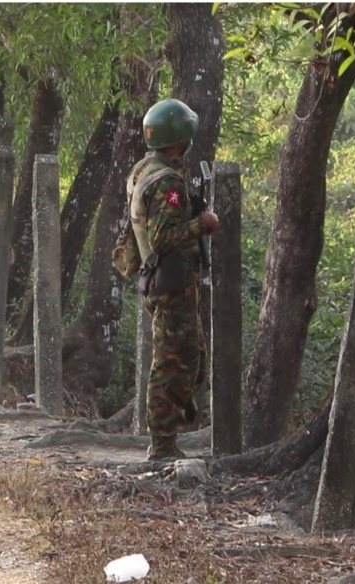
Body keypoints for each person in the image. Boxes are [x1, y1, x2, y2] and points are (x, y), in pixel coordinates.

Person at [113, 98, 219, 461]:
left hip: (164, 280)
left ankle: (172, 430)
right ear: (178, 140)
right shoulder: (167, 181)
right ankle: (162, 447)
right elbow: (162, 238)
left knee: (191, 356)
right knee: (171, 364)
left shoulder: (145, 169)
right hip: (170, 281)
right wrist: (201, 224)